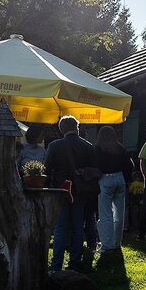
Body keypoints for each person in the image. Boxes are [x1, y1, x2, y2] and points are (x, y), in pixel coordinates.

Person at [45, 115, 98, 272]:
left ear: (61, 129)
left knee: (60, 228)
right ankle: (75, 262)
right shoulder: (88, 146)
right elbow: (95, 170)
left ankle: (56, 265)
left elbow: (46, 169)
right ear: (77, 128)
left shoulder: (54, 146)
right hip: (80, 191)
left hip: (60, 190)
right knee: (77, 227)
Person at [96, 125, 135, 255]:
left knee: (105, 213)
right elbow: (129, 165)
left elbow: (96, 166)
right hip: (120, 178)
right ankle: (117, 242)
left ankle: (107, 244)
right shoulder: (120, 148)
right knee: (119, 213)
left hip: (105, 179)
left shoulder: (98, 149)